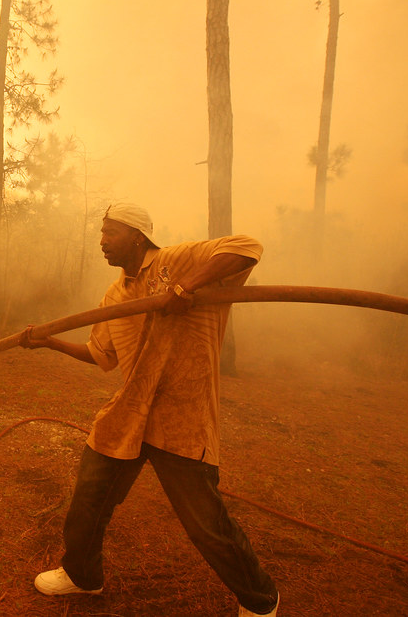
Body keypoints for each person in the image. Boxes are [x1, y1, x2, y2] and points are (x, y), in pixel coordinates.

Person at [21, 202, 279, 617]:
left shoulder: (174, 262)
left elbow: (248, 247)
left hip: (183, 413)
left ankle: (260, 601)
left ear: (137, 236)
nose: (102, 241)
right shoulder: (116, 294)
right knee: (89, 497)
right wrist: (48, 342)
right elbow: (100, 354)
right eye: (101, 233)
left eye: (110, 232)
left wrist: (184, 287)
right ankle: (82, 575)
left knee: (205, 524)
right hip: (131, 411)